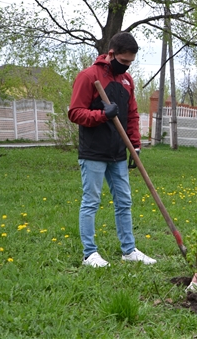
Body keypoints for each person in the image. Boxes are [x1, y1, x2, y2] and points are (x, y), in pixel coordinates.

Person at [68, 31, 156, 267]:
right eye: (124, 62)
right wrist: (101, 114)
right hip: (94, 152)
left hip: (118, 152)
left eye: (130, 63)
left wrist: (135, 145)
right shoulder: (89, 76)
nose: (126, 67)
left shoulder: (127, 81)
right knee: (91, 201)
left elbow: (132, 115)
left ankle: (129, 250)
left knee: (124, 201)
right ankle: (89, 254)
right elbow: (75, 112)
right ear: (111, 54)